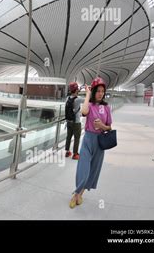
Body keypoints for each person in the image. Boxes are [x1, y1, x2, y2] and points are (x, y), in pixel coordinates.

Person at [69, 77, 112, 209]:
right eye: (98, 91)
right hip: (88, 139)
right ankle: (76, 193)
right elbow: (84, 112)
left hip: (100, 142)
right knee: (83, 168)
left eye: (102, 91)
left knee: (93, 171)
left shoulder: (106, 108)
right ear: (94, 92)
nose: (100, 93)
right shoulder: (90, 105)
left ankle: (79, 195)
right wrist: (87, 94)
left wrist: (102, 126)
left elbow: (109, 127)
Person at [64, 82, 83, 160]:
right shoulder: (78, 99)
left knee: (68, 137)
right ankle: (75, 154)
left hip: (69, 121)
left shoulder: (67, 98)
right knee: (77, 138)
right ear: (76, 90)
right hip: (76, 122)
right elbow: (89, 99)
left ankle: (67, 152)